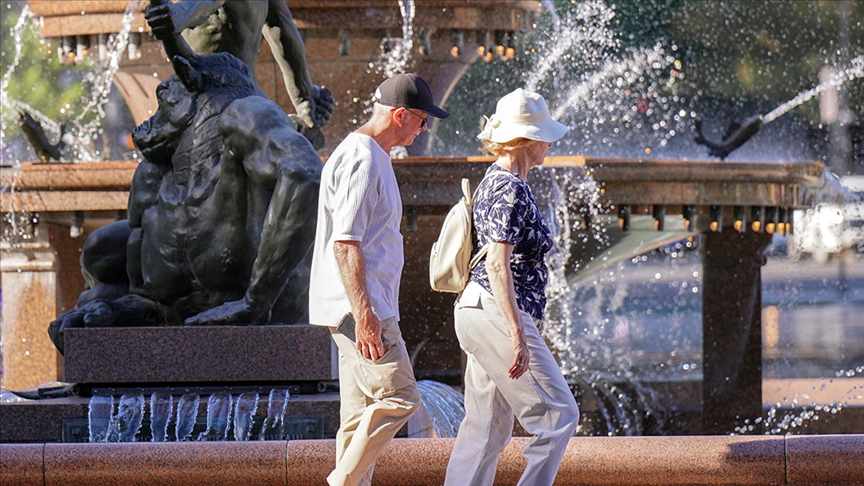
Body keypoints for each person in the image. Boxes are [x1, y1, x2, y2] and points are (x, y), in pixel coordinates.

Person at [309, 73, 449, 486]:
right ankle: (340, 481)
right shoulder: (363, 158)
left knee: (355, 421)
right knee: (401, 397)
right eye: (422, 120)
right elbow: (346, 243)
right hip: (363, 310)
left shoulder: (368, 155)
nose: (424, 128)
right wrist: (367, 315)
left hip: (352, 308)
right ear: (401, 114)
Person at [444, 88, 580, 486]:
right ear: (527, 139)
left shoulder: (496, 181)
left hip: (477, 309)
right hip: (497, 311)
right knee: (559, 417)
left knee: (486, 429)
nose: (550, 143)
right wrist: (516, 331)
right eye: (545, 135)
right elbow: (497, 262)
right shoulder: (510, 188)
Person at [144, 0, 334, 132]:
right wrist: (304, 95)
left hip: (204, 101)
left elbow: (204, 4)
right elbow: (286, 33)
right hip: (249, 96)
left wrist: (178, 15)